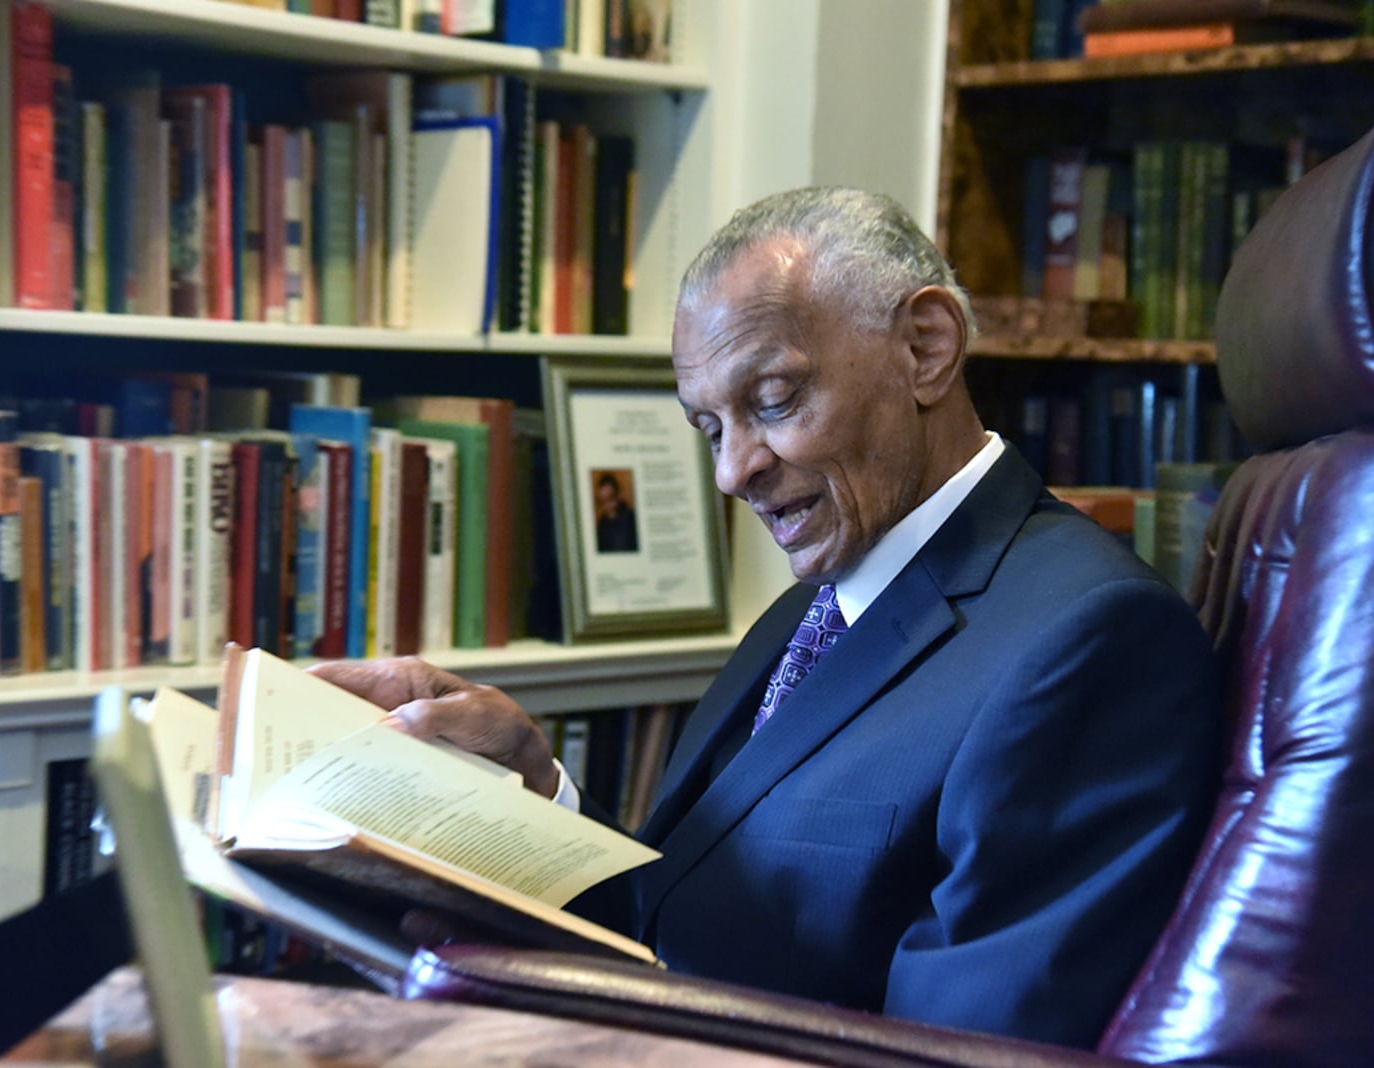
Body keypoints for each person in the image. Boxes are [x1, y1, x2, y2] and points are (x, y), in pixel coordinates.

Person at [307, 188, 1220, 1048]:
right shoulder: (812, 608)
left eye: (773, 402)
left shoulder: (1091, 640)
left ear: (926, 348)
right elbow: (671, 927)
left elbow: (959, 1054)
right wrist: (532, 796)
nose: (732, 472)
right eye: (708, 427)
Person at [593, 472, 640, 553]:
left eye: (610, 498)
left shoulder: (632, 518)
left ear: (618, 495)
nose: (606, 505)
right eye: (602, 501)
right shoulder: (602, 524)